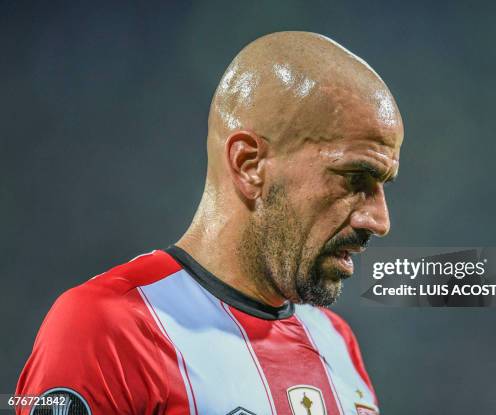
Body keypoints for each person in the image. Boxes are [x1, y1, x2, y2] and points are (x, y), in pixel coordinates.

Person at [16, 31, 403, 415]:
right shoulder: (108, 327)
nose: (380, 220)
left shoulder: (337, 342)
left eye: (383, 185)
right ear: (249, 164)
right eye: (355, 178)